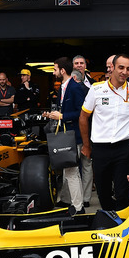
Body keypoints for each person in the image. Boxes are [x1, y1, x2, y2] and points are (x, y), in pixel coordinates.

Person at [80, 54, 129, 210]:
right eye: (121, 67)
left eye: (128, 69)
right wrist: (86, 146)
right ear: (112, 68)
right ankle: (108, 220)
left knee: (123, 192)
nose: (124, 72)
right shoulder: (96, 89)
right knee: (103, 192)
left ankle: (122, 224)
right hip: (100, 148)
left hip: (123, 148)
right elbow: (83, 117)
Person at [47, 58, 89, 213]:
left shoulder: (75, 87)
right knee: (71, 172)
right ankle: (76, 205)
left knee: (71, 173)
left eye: (55, 69)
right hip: (66, 135)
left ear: (62, 71)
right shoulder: (62, 88)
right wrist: (53, 115)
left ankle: (78, 207)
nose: (54, 72)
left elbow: (82, 113)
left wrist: (62, 116)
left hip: (74, 136)